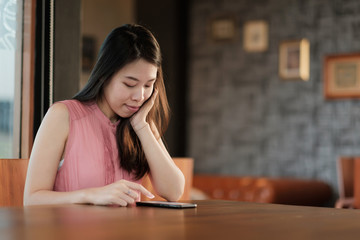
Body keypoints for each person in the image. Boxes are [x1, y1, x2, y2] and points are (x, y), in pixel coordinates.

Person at [23, 24, 185, 206]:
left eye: (148, 85)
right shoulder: (63, 116)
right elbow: (32, 199)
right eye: (130, 84)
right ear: (104, 76)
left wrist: (142, 127)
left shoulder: (142, 123)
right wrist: (91, 195)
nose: (139, 96)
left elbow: (174, 191)